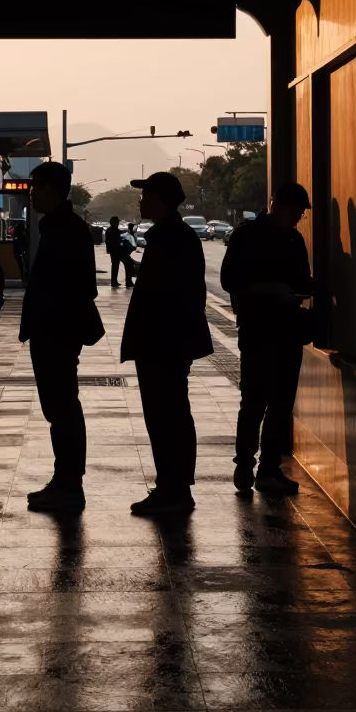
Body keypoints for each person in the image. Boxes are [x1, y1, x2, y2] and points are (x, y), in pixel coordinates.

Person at [121, 171, 213, 515]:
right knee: (167, 415)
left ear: (160, 200)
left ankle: (174, 489)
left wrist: (162, 339)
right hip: (163, 341)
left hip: (164, 343)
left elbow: (175, 295)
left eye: (145, 196)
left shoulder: (173, 238)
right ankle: (172, 486)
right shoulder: (169, 235)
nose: (140, 202)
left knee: (167, 417)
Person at [20, 161, 104, 511]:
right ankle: (65, 479)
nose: (30, 193)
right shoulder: (57, 226)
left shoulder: (66, 229)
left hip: (57, 331)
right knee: (60, 407)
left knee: (62, 407)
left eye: (35, 186)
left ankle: (69, 483)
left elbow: (78, 286)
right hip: (53, 329)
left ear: (51, 189)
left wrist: (51, 319)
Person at [220, 181, 312, 495]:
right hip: (258, 330)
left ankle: (269, 470)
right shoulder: (247, 235)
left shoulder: (294, 238)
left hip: (288, 330)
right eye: (296, 211)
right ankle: (244, 466)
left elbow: (302, 280)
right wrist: (272, 289)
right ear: (277, 205)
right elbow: (230, 280)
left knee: (281, 404)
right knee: (255, 402)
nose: (299, 217)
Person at [104, 216, 124, 287]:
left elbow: (107, 241)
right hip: (116, 250)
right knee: (115, 266)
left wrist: (108, 249)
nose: (118, 223)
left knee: (114, 265)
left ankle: (114, 281)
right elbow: (119, 237)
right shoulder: (115, 230)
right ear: (115, 222)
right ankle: (114, 282)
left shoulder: (108, 230)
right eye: (117, 222)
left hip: (112, 250)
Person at [121, 222, 137, 289]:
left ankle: (129, 282)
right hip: (125, 254)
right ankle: (128, 283)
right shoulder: (126, 235)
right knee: (129, 268)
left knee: (130, 267)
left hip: (127, 254)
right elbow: (129, 245)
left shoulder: (131, 235)